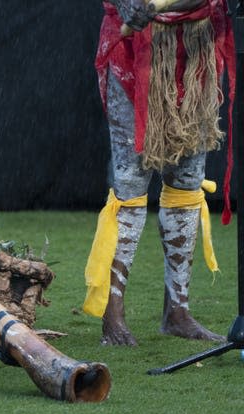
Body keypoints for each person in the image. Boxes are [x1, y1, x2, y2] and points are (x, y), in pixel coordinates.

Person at [83, 0, 235, 345]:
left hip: (198, 44)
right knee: (130, 183)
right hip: (137, 48)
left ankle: (178, 311)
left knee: (186, 181)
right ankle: (113, 313)